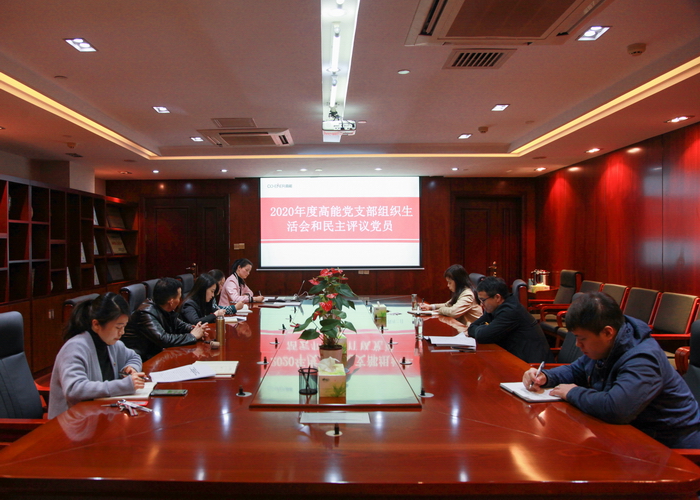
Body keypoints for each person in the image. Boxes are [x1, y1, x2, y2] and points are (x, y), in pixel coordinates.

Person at [523, 292, 700, 449]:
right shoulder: (607, 345)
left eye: (582, 339)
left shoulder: (643, 358)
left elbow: (617, 408)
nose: (577, 344)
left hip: (671, 450)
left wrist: (573, 392)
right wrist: (546, 376)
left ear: (608, 333)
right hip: (633, 439)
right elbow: (577, 370)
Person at [49, 293, 145, 418]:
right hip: (71, 422)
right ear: (96, 325)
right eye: (118, 327)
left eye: (124, 326)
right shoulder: (75, 347)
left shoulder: (111, 343)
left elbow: (134, 357)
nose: (122, 332)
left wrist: (131, 367)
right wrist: (122, 385)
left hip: (98, 415)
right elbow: (74, 389)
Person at [467, 276, 550, 363]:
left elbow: (483, 336)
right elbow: (472, 327)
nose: (481, 304)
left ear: (497, 297)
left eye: (483, 300)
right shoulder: (495, 307)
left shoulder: (510, 311)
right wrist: (484, 328)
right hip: (515, 358)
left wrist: (483, 328)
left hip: (531, 365)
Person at [122, 277, 207, 361]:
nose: (180, 300)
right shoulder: (145, 313)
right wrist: (192, 336)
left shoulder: (164, 307)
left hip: (156, 354)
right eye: (179, 297)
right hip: (140, 359)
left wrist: (195, 329)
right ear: (171, 301)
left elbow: (179, 325)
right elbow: (163, 339)